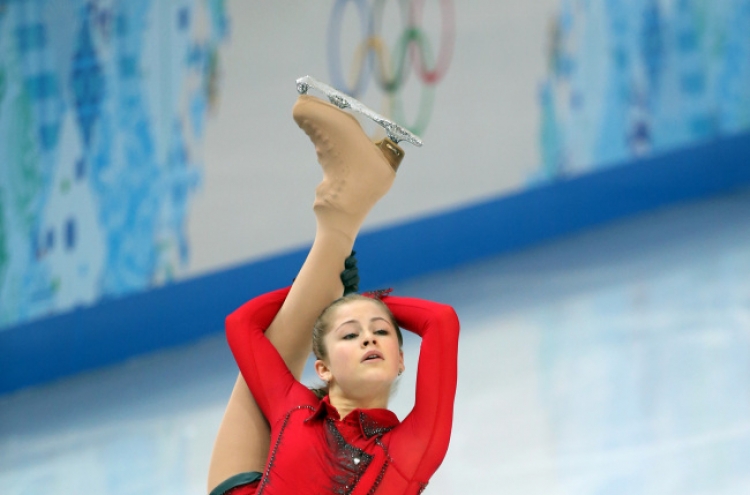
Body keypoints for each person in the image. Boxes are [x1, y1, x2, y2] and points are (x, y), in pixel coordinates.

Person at [209, 94, 459, 494]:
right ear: (321, 369)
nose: (368, 337)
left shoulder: (412, 448)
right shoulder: (297, 409)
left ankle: (345, 211)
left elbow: (440, 321)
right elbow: (240, 325)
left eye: (380, 333)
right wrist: (349, 303)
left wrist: (342, 305)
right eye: (353, 334)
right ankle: (343, 214)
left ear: (400, 362)